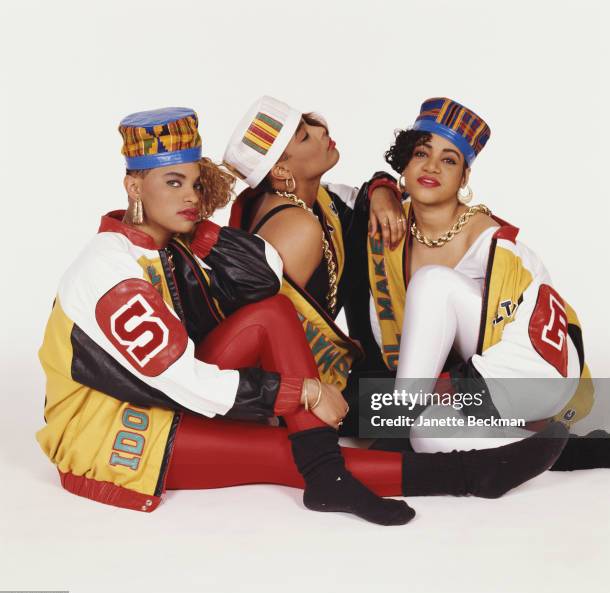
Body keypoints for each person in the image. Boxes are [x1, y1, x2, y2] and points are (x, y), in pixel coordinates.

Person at [35, 107, 570, 524]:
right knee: (280, 453)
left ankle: (518, 442)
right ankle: (460, 474)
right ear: (134, 187)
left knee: (276, 324)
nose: (193, 197)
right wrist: (297, 394)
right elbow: (179, 381)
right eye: (173, 183)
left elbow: (264, 284)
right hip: (116, 426)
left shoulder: (178, 243)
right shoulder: (110, 272)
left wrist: (385, 188)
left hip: (205, 384)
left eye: (196, 183)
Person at [346, 97, 603, 464]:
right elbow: (335, 201)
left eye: (449, 160)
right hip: (465, 383)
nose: (432, 166)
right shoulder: (390, 221)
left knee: (433, 282)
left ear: (464, 177)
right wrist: (380, 187)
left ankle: (402, 413)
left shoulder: (495, 244)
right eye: (421, 153)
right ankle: (561, 452)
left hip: (531, 371)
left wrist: (454, 386)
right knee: (427, 434)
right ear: (405, 162)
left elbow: (542, 344)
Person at [224, 96, 407, 432]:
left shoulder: (317, 202)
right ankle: (523, 404)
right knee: (436, 404)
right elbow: (264, 347)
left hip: (324, 384)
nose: (322, 130)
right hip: (302, 403)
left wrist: (383, 190)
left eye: (309, 123)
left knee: (434, 393)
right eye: (305, 135)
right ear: (280, 171)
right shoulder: (297, 228)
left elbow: (360, 200)